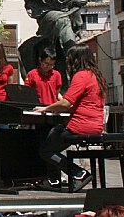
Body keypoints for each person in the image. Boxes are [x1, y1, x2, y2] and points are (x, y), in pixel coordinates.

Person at [35, 44, 107, 192]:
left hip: (80, 125)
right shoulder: (97, 76)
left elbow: (66, 102)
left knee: (46, 150)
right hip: (96, 125)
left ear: (75, 60)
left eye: (69, 59)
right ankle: (63, 177)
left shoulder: (81, 76)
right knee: (55, 133)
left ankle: (78, 173)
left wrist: (47, 108)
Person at [21, 0, 87, 83]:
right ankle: (71, 52)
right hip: (48, 15)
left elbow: (76, 8)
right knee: (62, 20)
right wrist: (75, 0)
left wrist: (78, 25)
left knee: (65, 21)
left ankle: (71, 59)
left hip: (65, 16)